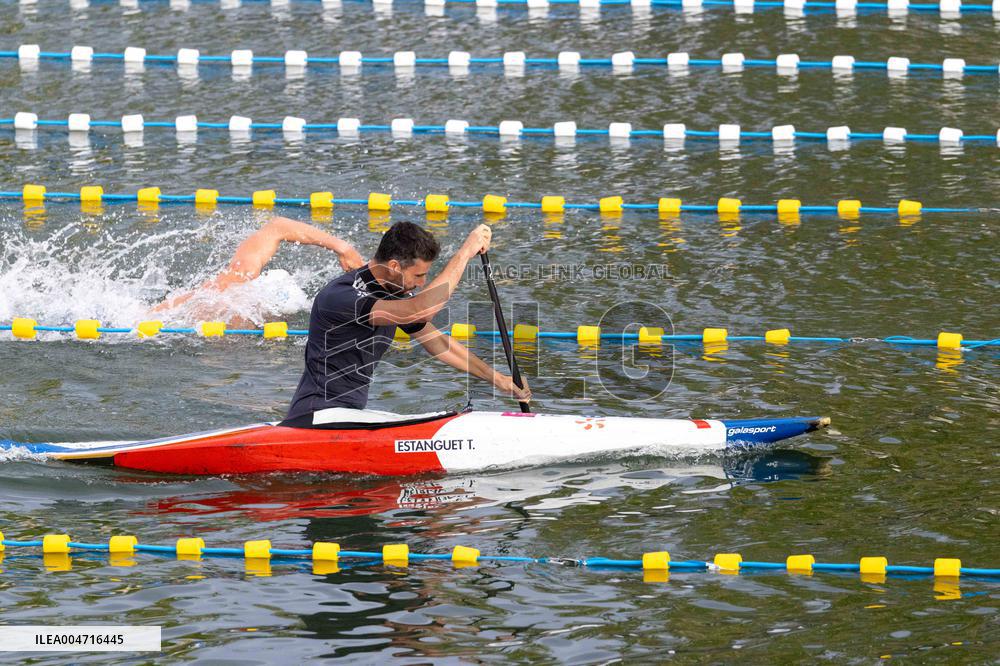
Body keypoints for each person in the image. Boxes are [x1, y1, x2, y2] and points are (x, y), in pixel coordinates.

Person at [283, 220, 531, 426]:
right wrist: (464, 253)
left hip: (348, 415)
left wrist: (498, 380)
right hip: (316, 416)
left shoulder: (391, 294)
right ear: (393, 267)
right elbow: (420, 310)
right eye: (419, 275)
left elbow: (439, 344)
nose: (421, 283)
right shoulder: (341, 296)